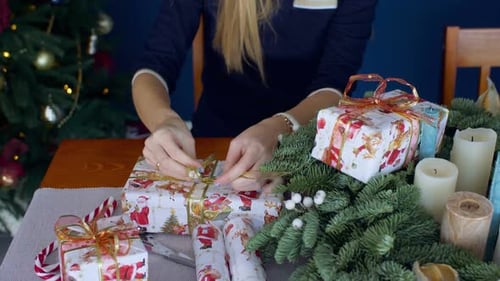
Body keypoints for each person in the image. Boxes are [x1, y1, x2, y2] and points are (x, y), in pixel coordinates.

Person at [131, 0, 378, 191]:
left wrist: (280, 128)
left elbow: (334, 87)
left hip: (305, 152)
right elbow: (154, 67)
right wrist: (164, 121)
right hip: (215, 145)